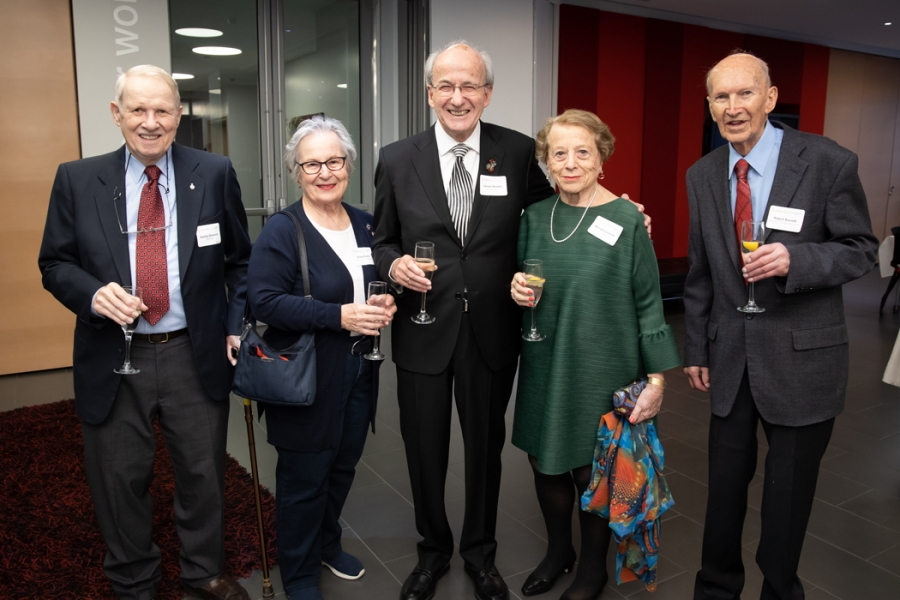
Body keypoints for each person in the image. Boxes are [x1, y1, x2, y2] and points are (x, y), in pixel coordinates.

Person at [373, 41, 649, 600]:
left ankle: (479, 554)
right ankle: (431, 553)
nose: (457, 97)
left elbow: (567, 203)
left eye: (469, 85)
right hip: (423, 330)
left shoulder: (520, 152)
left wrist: (623, 211)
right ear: (430, 94)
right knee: (424, 452)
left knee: (484, 451)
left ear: (487, 93)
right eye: (445, 86)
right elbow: (379, 241)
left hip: (493, 333)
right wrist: (393, 263)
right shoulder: (397, 158)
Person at [38, 65, 252, 600]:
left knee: (204, 476)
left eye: (162, 110)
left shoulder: (216, 171)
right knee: (119, 480)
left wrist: (233, 325)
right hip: (112, 353)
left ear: (179, 116)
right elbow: (54, 263)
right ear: (117, 115)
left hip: (192, 352)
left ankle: (203, 571)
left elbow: (239, 264)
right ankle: (133, 579)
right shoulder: (77, 178)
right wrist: (91, 294)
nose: (150, 122)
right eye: (138, 109)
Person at [683, 52, 878, 600]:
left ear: (770, 99)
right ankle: (716, 588)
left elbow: (861, 250)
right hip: (729, 356)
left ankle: (779, 589)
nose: (733, 107)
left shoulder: (827, 161)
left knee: (788, 494)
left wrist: (798, 261)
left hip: (802, 358)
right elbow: (700, 272)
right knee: (723, 489)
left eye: (745, 94)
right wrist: (695, 346)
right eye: (721, 97)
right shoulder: (702, 174)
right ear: (711, 106)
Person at [509, 109, 680, 600]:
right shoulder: (535, 218)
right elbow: (520, 282)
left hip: (604, 366)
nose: (569, 162)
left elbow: (649, 303)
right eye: (557, 153)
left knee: (592, 469)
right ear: (546, 161)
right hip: (545, 358)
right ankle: (557, 550)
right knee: (545, 460)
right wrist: (516, 288)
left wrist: (657, 380)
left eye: (582, 151)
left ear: (601, 158)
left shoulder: (627, 219)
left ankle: (591, 569)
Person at [247, 116, 397, 600]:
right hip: (308, 369)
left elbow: (375, 282)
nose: (325, 172)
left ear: (348, 164)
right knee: (304, 478)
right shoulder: (282, 229)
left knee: (343, 465)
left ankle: (327, 544)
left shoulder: (365, 222)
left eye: (334, 160)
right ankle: (300, 572)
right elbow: (264, 301)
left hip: (359, 369)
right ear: (296, 171)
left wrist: (385, 301)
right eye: (312, 163)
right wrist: (338, 316)